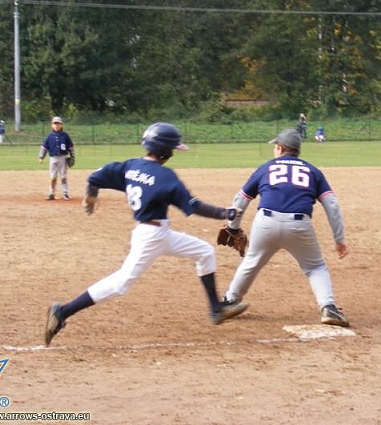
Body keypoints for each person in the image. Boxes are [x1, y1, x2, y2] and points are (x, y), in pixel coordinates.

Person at [44, 122, 248, 346]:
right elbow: (193, 205)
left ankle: (216, 309)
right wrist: (225, 213)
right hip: (152, 237)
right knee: (120, 283)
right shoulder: (165, 176)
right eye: (172, 149)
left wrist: (91, 197)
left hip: (158, 232)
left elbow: (95, 177)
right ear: (165, 151)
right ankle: (62, 311)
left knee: (204, 251)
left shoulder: (131, 166)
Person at [219, 128, 350, 327]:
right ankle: (328, 307)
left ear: (280, 148)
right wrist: (339, 239)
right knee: (315, 268)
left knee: (251, 261)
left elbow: (241, 199)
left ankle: (229, 301)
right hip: (299, 224)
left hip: (265, 222)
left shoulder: (266, 168)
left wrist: (233, 227)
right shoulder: (313, 171)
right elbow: (331, 203)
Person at [38, 116, 75, 201]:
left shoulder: (65, 136)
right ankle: (51, 194)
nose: (56, 125)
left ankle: (65, 194)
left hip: (62, 158)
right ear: (52, 125)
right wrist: (41, 157)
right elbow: (44, 147)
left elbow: (71, 147)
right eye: (55, 124)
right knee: (53, 177)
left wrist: (72, 156)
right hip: (53, 158)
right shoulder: (49, 136)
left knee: (63, 177)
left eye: (58, 124)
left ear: (61, 125)